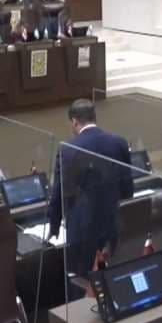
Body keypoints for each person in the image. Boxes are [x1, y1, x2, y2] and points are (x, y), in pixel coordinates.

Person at [48, 99, 134, 276]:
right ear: (94, 117)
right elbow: (127, 186)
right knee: (113, 276)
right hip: (113, 224)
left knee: (83, 280)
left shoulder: (67, 150)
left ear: (74, 121)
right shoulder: (119, 142)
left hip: (83, 230)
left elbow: (59, 192)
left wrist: (54, 226)